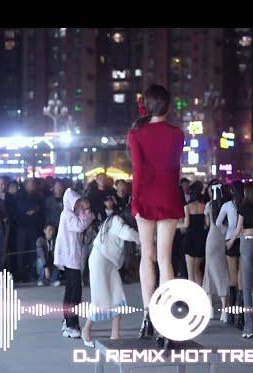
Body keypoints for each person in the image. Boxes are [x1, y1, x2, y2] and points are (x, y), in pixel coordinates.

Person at [127, 84, 184, 349]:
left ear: (146, 106)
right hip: (169, 196)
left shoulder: (136, 134)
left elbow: (138, 171)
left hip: (145, 196)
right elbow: (174, 169)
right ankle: (165, 321)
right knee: (164, 259)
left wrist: (135, 200)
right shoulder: (177, 134)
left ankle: (148, 315)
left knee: (146, 256)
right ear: (168, 106)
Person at [81, 209, 141, 346]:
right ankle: (86, 330)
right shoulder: (116, 220)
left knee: (117, 296)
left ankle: (115, 334)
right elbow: (128, 233)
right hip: (99, 261)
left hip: (109, 263)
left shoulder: (114, 220)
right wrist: (143, 238)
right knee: (99, 299)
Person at [228, 181, 253, 339]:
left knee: (246, 285)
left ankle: (249, 326)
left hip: (247, 243)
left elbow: (238, 229)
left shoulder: (243, 206)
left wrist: (231, 241)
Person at [54, 188, 94, 338]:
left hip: (71, 257)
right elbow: (79, 226)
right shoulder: (67, 214)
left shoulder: (71, 214)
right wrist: (88, 213)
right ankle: (71, 324)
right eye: (76, 202)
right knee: (75, 291)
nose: (78, 205)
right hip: (70, 257)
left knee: (71, 290)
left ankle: (68, 321)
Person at [203, 182, 231, 323]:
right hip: (226, 237)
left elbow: (207, 224)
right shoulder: (230, 205)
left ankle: (210, 309)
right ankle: (225, 309)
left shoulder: (209, 206)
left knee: (209, 272)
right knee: (223, 272)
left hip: (212, 238)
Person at [218, 180, 244, 329]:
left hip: (230, 241)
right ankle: (241, 317)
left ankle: (232, 315)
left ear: (232, 191)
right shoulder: (246, 204)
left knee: (232, 278)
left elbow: (218, 222)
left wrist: (227, 232)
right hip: (244, 240)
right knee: (242, 278)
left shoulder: (227, 205)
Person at [177, 182, 207, 286]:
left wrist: (175, 226)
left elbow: (186, 224)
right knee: (197, 270)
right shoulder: (204, 206)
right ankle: (201, 292)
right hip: (201, 238)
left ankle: (192, 294)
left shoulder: (187, 206)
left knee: (190, 274)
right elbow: (207, 224)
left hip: (190, 238)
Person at [14, 178, 41, 282]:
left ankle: (33, 272)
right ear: (26, 185)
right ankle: (21, 274)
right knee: (21, 251)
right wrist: (30, 209)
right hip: (22, 226)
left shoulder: (37, 195)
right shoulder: (20, 195)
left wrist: (34, 209)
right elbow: (21, 207)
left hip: (33, 226)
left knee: (33, 251)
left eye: (34, 184)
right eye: (31, 184)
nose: (33, 186)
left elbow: (38, 207)